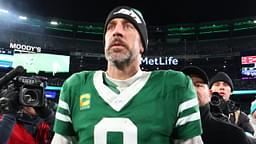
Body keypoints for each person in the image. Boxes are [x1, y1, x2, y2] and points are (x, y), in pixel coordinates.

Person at [51, 6, 203, 144]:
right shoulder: (76, 86)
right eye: (110, 27)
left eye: (128, 26)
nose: (117, 32)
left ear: (142, 44)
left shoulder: (175, 86)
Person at [182, 66, 250, 144]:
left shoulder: (233, 134)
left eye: (198, 85)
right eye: (186, 84)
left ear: (209, 93)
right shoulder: (166, 130)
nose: (192, 88)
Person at [209, 71, 255, 136]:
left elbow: (249, 138)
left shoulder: (241, 117)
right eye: (217, 84)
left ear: (231, 92)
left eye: (225, 85)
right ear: (210, 91)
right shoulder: (202, 113)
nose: (221, 87)